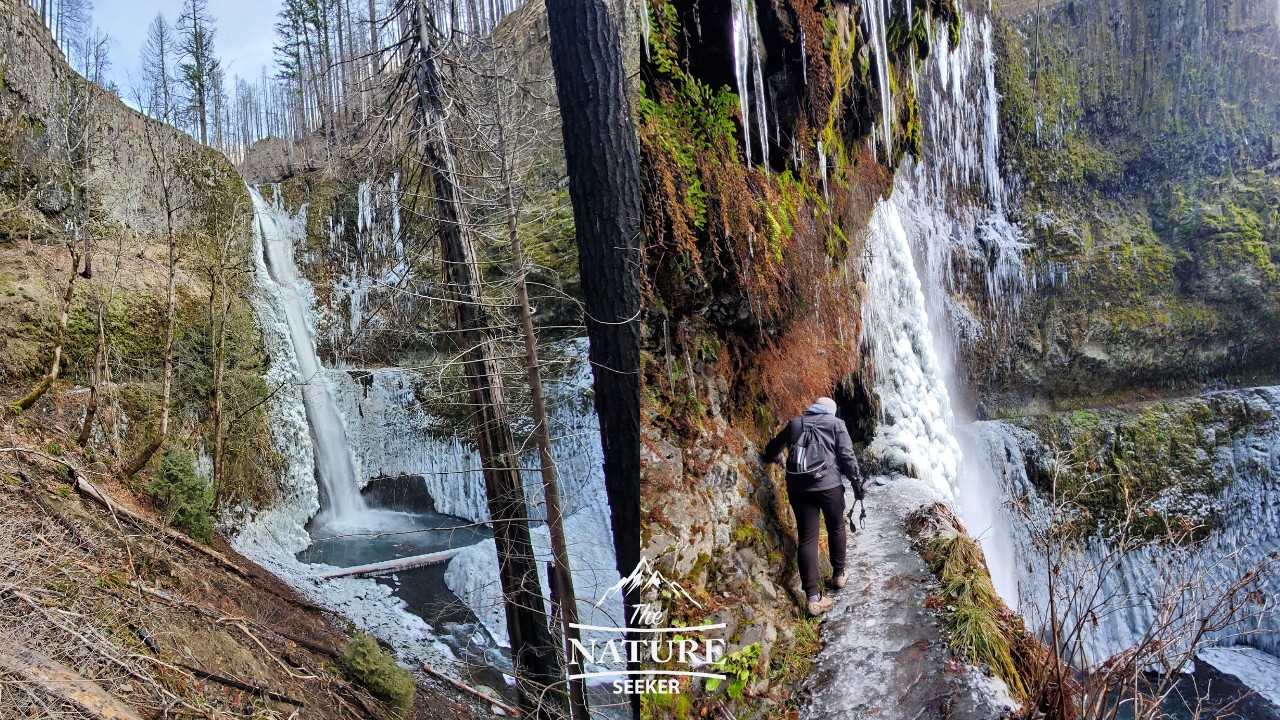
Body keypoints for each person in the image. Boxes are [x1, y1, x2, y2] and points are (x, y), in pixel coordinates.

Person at [762, 397, 864, 616]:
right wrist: (857, 484)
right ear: (831, 412)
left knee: (807, 538)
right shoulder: (836, 424)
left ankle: (813, 598)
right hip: (830, 487)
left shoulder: (795, 424)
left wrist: (778, 458)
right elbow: (846, 456)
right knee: (836, 527)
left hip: (799, 489)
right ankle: (839, 575)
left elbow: (771, 449)